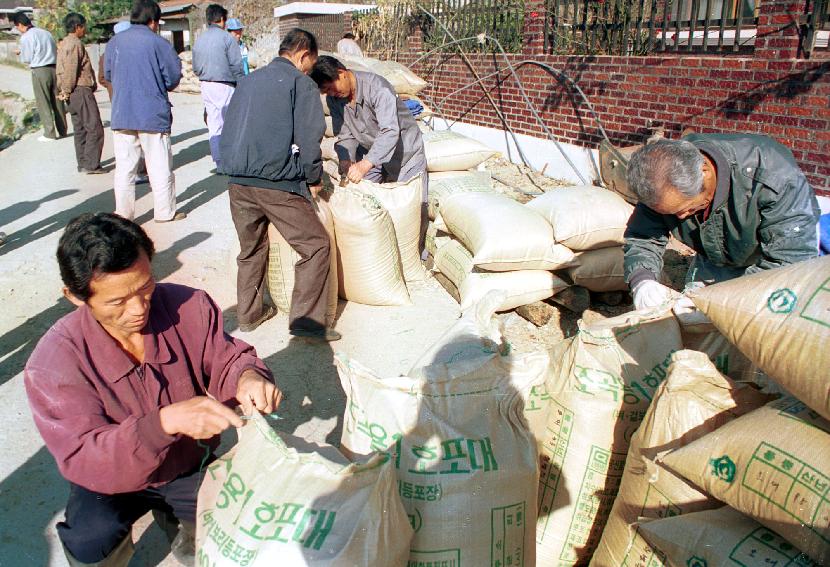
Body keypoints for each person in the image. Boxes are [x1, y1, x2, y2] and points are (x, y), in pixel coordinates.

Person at [24, 212, 281, 567]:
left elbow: (224, 357)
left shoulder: (189, 305)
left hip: (185, 462)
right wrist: (161, 424)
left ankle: (185, 525)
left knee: (244, 524)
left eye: (145, 287)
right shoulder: (53, 362)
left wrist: (247, 376)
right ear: (75, 297)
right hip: (108, 479)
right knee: (90, 539)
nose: (139, 308)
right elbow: (85, 454)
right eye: (117, 302)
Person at [219, 29, 339, 341]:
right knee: (316, 246)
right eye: (310, 62)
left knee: (252, 248)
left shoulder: (248, 81)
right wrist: (313, 178)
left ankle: (248, 315)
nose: (310, 69)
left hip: (238, 183)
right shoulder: (301, 84)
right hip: (276, 182)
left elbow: (227, 127)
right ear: (304, 55)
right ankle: (306, 323)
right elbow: (310, 136)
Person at [624, 134, 820, 310]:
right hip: (713, 258)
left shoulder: (774, 178)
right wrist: (643, 281)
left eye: (687, 208)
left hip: (770, 265)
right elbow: (643, 236)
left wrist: (726, 301)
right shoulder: (660, 179)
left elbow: (790, 262)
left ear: (705, 171)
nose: (682, 218)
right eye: (671, 213)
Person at [310, 55, 429, 248]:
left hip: (404, 153)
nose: (331, 94)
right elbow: (344, 133)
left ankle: (416, 255)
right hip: (370, 152)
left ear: (341, 73)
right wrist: (345, 159)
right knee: (361, 199)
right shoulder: (335, 100)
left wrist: (365, 164)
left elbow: (390, 131)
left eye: (331, 88)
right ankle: (376, 247)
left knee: (410, 208)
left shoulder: (378, 88)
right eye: (326, 92)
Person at [104, 0, 186, 223]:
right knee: (159, 167)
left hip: (122, 113)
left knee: (125, 169)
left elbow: (108, 74)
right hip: (152, 114)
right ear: (153, 21)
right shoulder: (159, 44)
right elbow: (172, 79)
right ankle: (164, 212)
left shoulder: (114, 43)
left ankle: (123, 214)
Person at [192, 4, 244, 169]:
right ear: (222, 20)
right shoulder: (227, 38)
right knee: (230, 123)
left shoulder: (200, 39)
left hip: (206, 85)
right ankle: (231, 161)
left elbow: (195, 67)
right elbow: (236, 66)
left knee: (214, 123)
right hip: (225, 85)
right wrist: (243, 85)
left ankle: (219, 163)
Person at [99, 21, 149, 185]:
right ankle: (139, 171)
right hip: (132, 102)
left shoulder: (110, 52)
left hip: (123, 102)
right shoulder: (137, 51)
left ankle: (136, 172)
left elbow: (103, 77)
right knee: (138, 138)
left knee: (128, 142)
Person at [57, 12, 105, 174]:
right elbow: (71, 70)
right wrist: (67, 90)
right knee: (94, 127)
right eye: (83, 26)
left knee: (80, 129)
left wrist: (65, 90)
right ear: (78, 27)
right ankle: (91, 164)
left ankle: (83, 162)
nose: (85, 30)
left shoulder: (64, 43)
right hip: (79, 90)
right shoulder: (74, 43)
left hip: (74, 93)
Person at [12, 12, 67, 142]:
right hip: (54, 67)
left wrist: (20, 52)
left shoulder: (26, 37)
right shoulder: (46, 33)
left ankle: (49, 133)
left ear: (20, 25)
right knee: (57, 101)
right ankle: (63, 129)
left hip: (40, 70)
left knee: (43, 102)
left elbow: (27, 58)